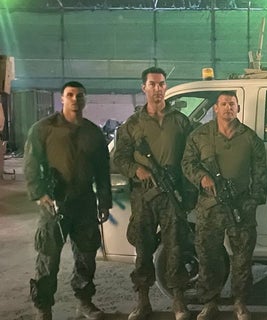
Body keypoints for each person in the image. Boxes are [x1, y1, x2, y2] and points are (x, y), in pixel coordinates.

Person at [24, 81, 112, 320]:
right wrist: (39, 193)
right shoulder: (44, 129)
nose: (75, 99)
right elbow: (31, 164)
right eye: (70, 95)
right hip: (55, 203)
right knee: (48, 257)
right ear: (62, 99)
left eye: (80, 95)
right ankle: (44, 307)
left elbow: (103, 170)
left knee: (86, 256)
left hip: (84, 202)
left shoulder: (93, 132)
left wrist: (104, 201)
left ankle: (84, 301)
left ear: (85, 99)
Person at [113, 67, 193, 320]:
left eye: (161, 84)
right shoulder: (132, 124)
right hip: (144, 196)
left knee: (176, 247)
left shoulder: (180, 121)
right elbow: (120, 158)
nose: (157, 89)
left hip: (172, 195)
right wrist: (136, 170)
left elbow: (191, 156)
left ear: (165, 87)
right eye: (152, 84)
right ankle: (143, 301)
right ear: (143, 88)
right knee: (144, 248)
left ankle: (178, 301)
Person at [181, 91, 267, 320]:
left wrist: (253, 201)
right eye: (223, 104)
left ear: (238, 108)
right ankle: (210, 302)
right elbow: (187, 163)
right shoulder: (200, 136)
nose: (228, 107)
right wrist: (202, 177)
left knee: (242, 258)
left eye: (232, 104)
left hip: (240, 206)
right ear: (215, 109)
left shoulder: (250, 138)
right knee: (208, 256)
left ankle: (240, 302)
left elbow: (260, 175)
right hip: (210, 206)